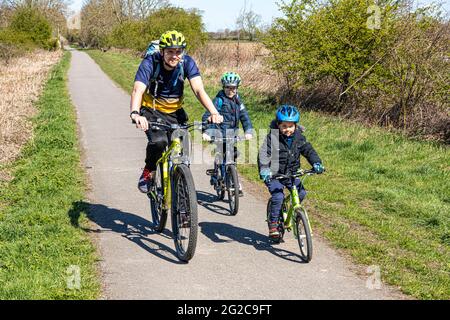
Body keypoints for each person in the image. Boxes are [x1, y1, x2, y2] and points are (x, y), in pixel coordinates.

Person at [129, 30, 223, 193]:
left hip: (175, 112)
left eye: (178, 51)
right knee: (159, 142)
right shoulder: (150, 63)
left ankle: (183, 199)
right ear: (162, 51)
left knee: (183, 156)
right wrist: (135, 113)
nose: (174, 56)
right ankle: (148, 171)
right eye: (170, 52)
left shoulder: (186, 63)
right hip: (152, 111)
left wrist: (214, 112)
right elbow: (138, 90)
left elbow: (199, 89)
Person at [258, 105, 325, 239]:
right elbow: (264, 154)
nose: (287, 129)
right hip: (274, 175)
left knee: (301, 193)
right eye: (284, 126)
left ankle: (294, 212)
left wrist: (316, 163)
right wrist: (264, 169)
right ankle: (274, 223)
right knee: (278, 197)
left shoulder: (299, 138)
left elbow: (309, 151)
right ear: (278, 125)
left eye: (290, 126)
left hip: (292, 173)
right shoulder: (272, 138)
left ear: (295, 125)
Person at [202, 72, 254, 195]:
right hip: (218, 133)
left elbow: (244, 117)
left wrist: (248, 131)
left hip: (232, 134)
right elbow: (207, 116)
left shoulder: (238, 101)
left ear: (237, 88)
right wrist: (207, 132)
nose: (230, 90)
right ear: (223, 87)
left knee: (233, 156)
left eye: (233, 88)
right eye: (228, 87)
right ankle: (217, 175)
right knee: (221, 153)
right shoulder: (218, 101)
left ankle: (233, 180)